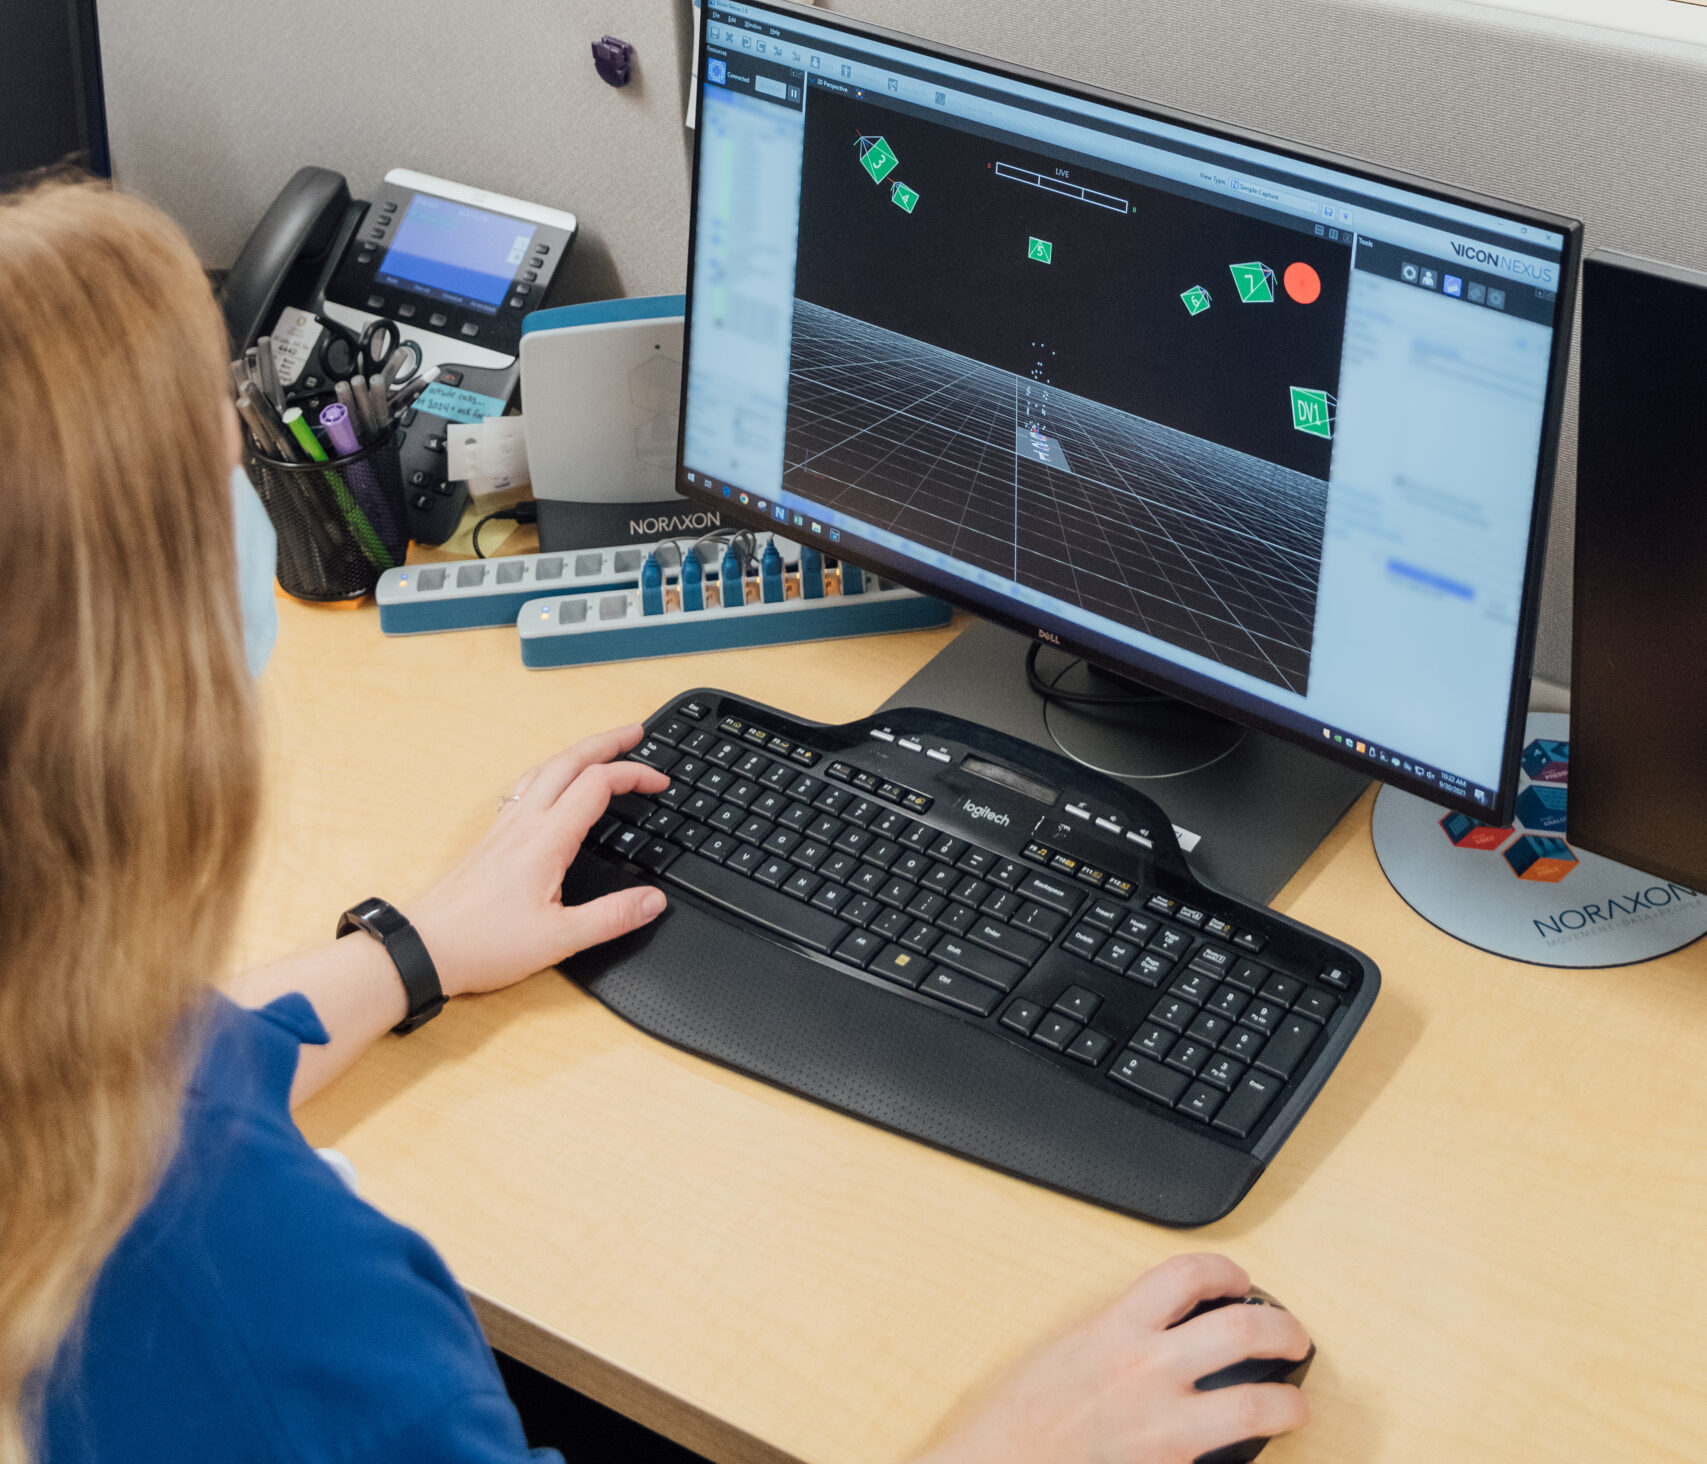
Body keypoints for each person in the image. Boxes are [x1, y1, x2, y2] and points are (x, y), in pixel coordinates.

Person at [0, 177, 1313, 1464]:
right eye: (230, 483)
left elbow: (145, 1069)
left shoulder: (62, 1093)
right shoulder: (262, 1299)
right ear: (139, 690)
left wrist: (411, 948)